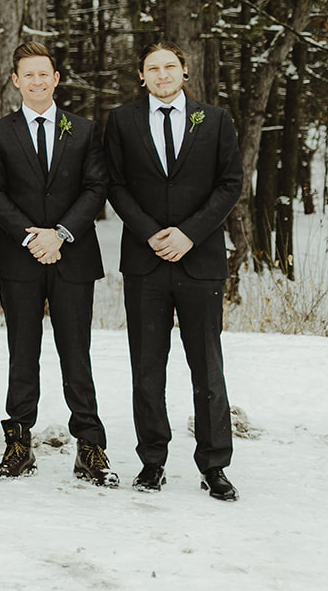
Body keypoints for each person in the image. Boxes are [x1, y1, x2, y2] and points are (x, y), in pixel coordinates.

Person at [103, 42, 243, 500]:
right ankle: (152, 461)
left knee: (207, 367)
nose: (162, 74)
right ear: (142, 77)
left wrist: (190, 234)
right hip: (146, 261)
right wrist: (150, 234)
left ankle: (214, 465)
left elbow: (229, 184)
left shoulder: (216, 120)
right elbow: (116, 184)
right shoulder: (122, 121)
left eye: (170, 67)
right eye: (152, 68)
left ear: (185, 71)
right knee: (147, 368)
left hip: (199, 260)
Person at [0, 41, 115, 485]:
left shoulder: (85, 129)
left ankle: (90, 446)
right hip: (20, 259)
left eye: (44, 74)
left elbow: (96, 187)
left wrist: (60, 233)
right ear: (16, 81)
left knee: (77, 352)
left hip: (72, 255)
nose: (37, 81)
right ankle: (19, 441)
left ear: (56, 79)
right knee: (23, 352)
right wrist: (30, 236)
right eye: (28, 75)